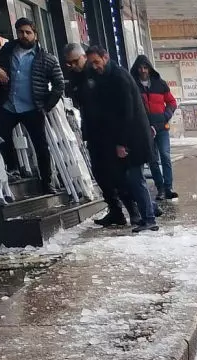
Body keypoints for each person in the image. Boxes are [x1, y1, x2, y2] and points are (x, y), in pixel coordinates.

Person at [85, 45, 157, 233]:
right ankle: (148, 214)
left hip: (134, 138)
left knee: (136, 179)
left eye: (96, 62)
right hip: (130, 137)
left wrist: (122, 143)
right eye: (91, 63)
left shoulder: (119, 78)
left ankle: (149, 218)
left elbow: (127, 113)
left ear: (105, 57)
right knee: (132, 179)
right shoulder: (107, 76)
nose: (94, 66)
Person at [62, 42, 127, 226]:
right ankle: (115, 210)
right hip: (92, 131)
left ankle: (136, 208)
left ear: (84, 57)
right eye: (70, 63)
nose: (73, 66)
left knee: (116, 174)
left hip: (107, 131)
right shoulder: (76, 78)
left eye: (76, 61)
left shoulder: (98, 74)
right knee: (100, 173)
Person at [0, 18, 64, 190]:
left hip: (32, 108)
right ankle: (13, 168)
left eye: (28, 32)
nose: (24, 35)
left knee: (40, 145)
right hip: (9, 105)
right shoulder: (8, 50)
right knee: (1, 135)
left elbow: (59, 84)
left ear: (35, 34)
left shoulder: (47, 58)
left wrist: (46, 106)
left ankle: (46, 181)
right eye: (21, 32)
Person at [129, 55, 178, 201]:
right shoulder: (134, 86)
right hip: (146, 129)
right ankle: (160, 188)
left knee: (165, 155)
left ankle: (168, 187)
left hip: (162, 127)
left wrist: (166, 114)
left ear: (150, 68)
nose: (143, 70)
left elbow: (171, 101)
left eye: (145, 67)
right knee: (153, 160)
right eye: (140, 68)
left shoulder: (160, 84)